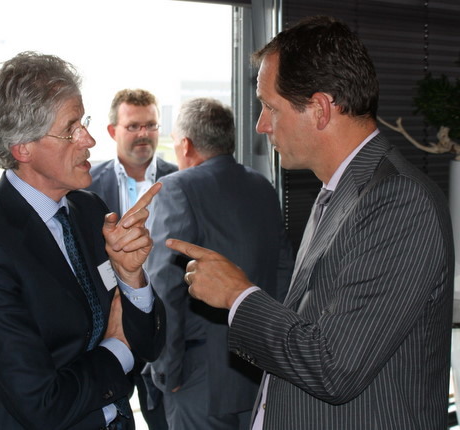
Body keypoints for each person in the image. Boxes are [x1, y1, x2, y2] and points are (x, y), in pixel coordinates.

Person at [167, 15, 454, 429]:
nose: (262, 125)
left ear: (319, 109)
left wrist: (237, 295)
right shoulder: (341, 190)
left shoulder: (397, 199)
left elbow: (334, 366)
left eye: (270, 107)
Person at [0, 51, 166, 430]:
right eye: (71, 129)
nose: (89, 140)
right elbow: (42, 404)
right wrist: (118, 347)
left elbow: (151, 344)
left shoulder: (90, 211)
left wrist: (132, 279)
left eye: (85, 123)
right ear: (22, 148)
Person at [146, 97, 293, 430]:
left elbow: (165, 288)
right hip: (260, 369)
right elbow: (285, 274)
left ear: (185, 144)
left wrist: (167, 371)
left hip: (198, 377)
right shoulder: (262, 186)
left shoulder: (175, 188)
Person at [86, 88, 176, 430]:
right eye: (133, 126)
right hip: (108, 329)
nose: (143, 134)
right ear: (113, 131)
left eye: (151, 125)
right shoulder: (86, 188)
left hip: (163, 328)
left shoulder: (179, 180)